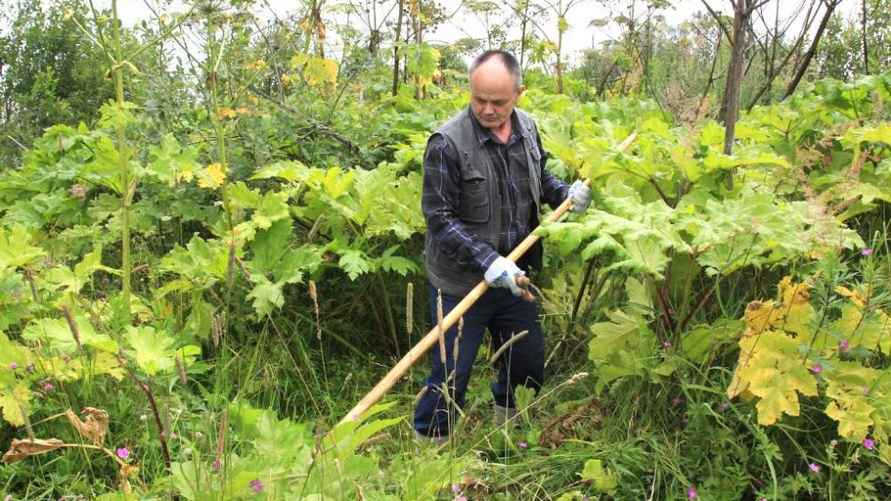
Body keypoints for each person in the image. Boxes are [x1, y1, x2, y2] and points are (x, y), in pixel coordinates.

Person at [414, 50, 591, 442]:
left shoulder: (527, 127)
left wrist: (566, 194)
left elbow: (539, 176)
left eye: (499, 102)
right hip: (461, 283)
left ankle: (509, 436)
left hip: (515, 279)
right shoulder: (446, 144)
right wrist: (488, 260)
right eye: (479, 100)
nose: (488, 110)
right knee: (450, 377)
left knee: (526, 364)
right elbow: (439, 218)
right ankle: (429, 450)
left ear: (519, 94)